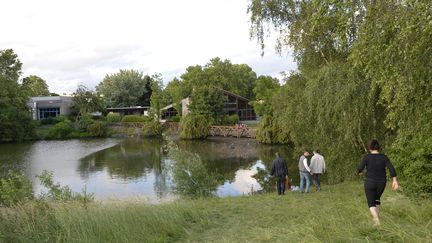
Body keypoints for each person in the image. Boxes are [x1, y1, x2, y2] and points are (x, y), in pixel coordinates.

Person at [356, 139, 399, 226]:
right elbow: (391, 168)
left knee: (371, 202)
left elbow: (359, 168)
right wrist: (395, 180)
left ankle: (376, 220)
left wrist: (358, 172)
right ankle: (376, 222)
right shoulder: (384, 157)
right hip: (381, 183)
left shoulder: (366, 157)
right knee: (377, 199)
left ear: (369, 148)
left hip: (370, 182)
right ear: (378, 147)